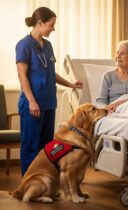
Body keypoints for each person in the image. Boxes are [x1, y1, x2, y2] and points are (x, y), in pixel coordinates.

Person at [16, 7, 83, 176]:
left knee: (47, 147)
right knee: (31, 147)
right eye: (51, 25)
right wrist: (31, 100)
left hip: (48, 103)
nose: (53, 28)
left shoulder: (48, 45)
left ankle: (45, 184)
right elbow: (22, 75)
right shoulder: (24, 45)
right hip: (33, 104)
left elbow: (50, 72)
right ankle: (29, 183)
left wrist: (71, 84)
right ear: (40, 23)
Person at [96, 40, 128, 114]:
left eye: (122, 53)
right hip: (112, 112)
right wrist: (106, 109)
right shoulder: (108, 76)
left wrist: (119, 103)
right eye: (117, 53)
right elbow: (101, 101)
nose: (117, 56)